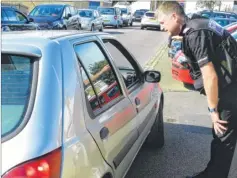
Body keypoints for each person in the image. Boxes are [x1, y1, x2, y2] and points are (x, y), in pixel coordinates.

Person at [157, 1, 237, 178]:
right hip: (230, 86)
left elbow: (210, 75)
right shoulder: (195, 24)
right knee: (223, 138)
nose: (162, 27)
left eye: (163, 22)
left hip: (230, 91)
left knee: (222, 137)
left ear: (174, 16)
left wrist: (213, 111)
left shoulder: (195, 33)